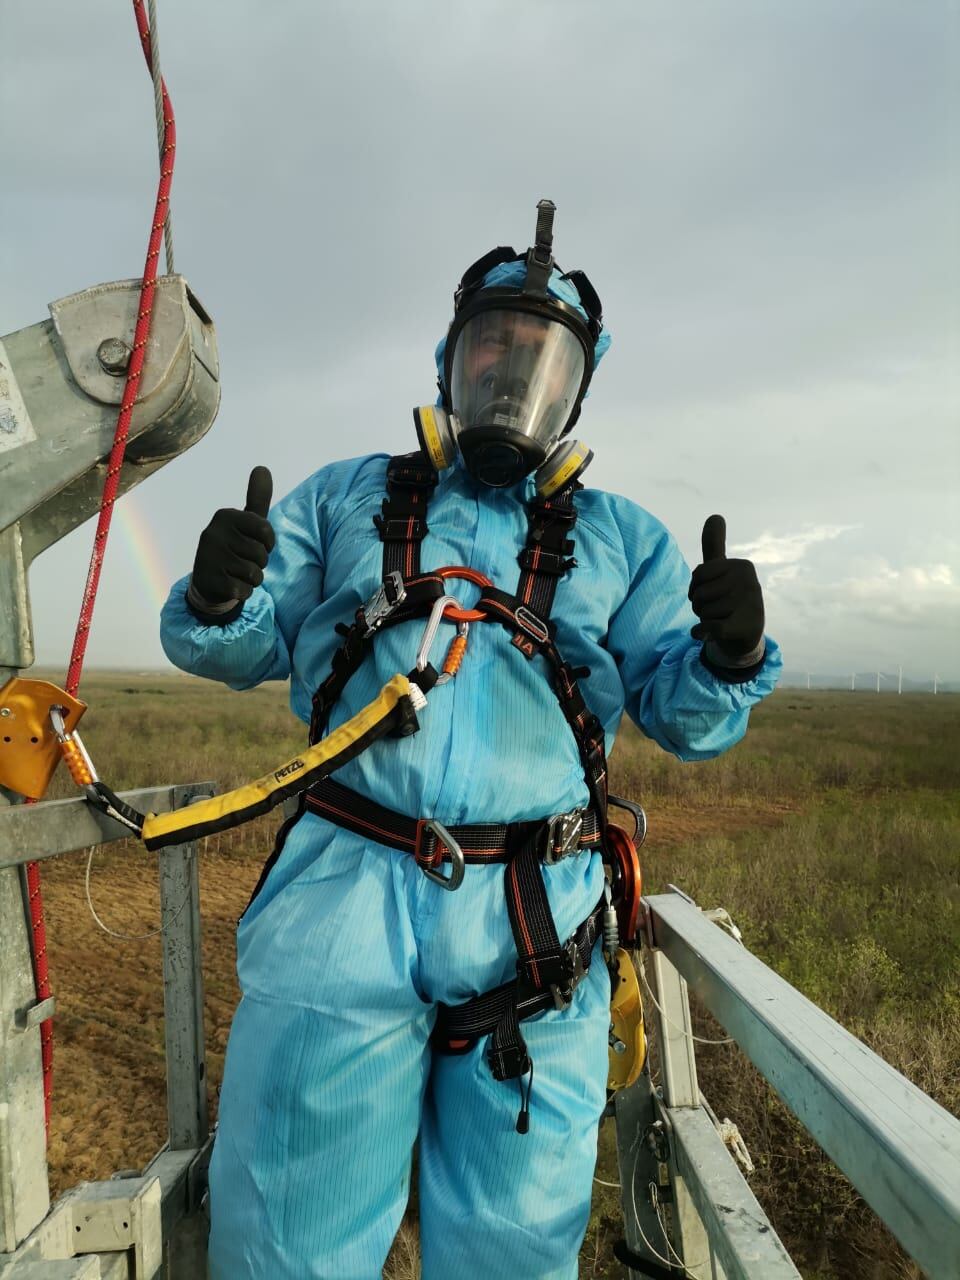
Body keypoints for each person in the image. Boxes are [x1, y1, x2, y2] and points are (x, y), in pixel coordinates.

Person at [160, 200, 781, 1280]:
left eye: (541, 358)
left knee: (515, 1240)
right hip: (343, 896)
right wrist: (220, 597)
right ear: (450, 355)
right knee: (285, 1234)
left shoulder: (623, 539)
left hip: (536, 925)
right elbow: (239, 641)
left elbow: (682, 715)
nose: (511, 375)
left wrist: (728, 657)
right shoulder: (350, 498)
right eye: (492, 344)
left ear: (576, 386)